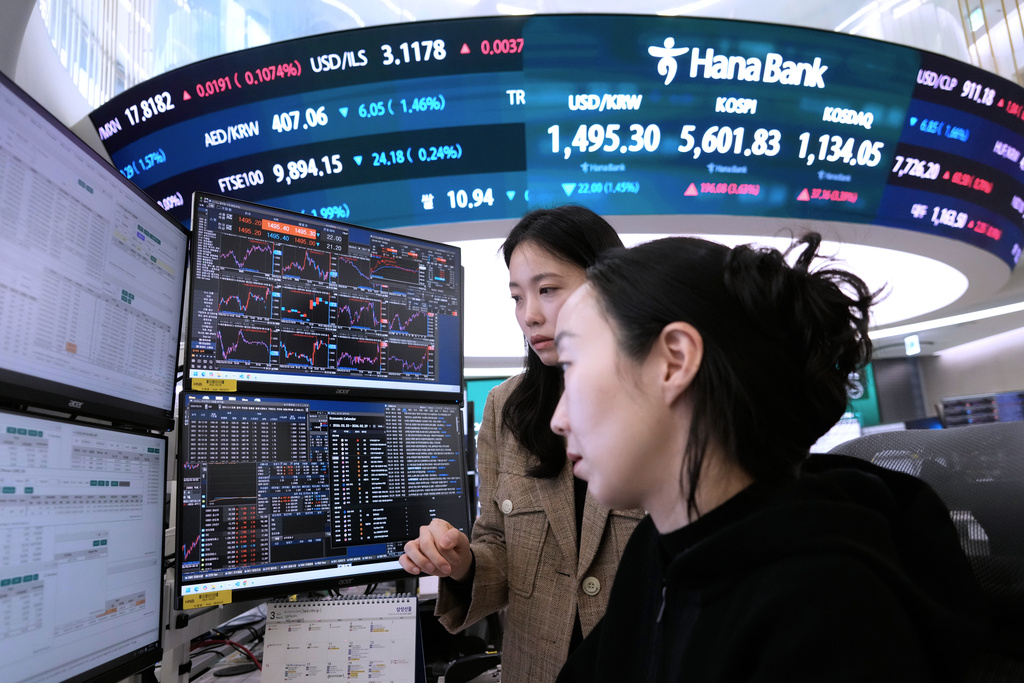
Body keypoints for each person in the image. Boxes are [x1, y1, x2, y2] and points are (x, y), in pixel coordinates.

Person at [551, 234, 989, 682]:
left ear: (674, 360)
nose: (558, 418)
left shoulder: (828, 609)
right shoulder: (655, 551)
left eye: (569, 365)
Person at [399, 206, 645, 683]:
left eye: (548, 290)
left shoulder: (657, 401)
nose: (529, 315)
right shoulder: (506, 407)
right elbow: (497, 544)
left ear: (609, 285)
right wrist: (462, 561)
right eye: (517, 297)